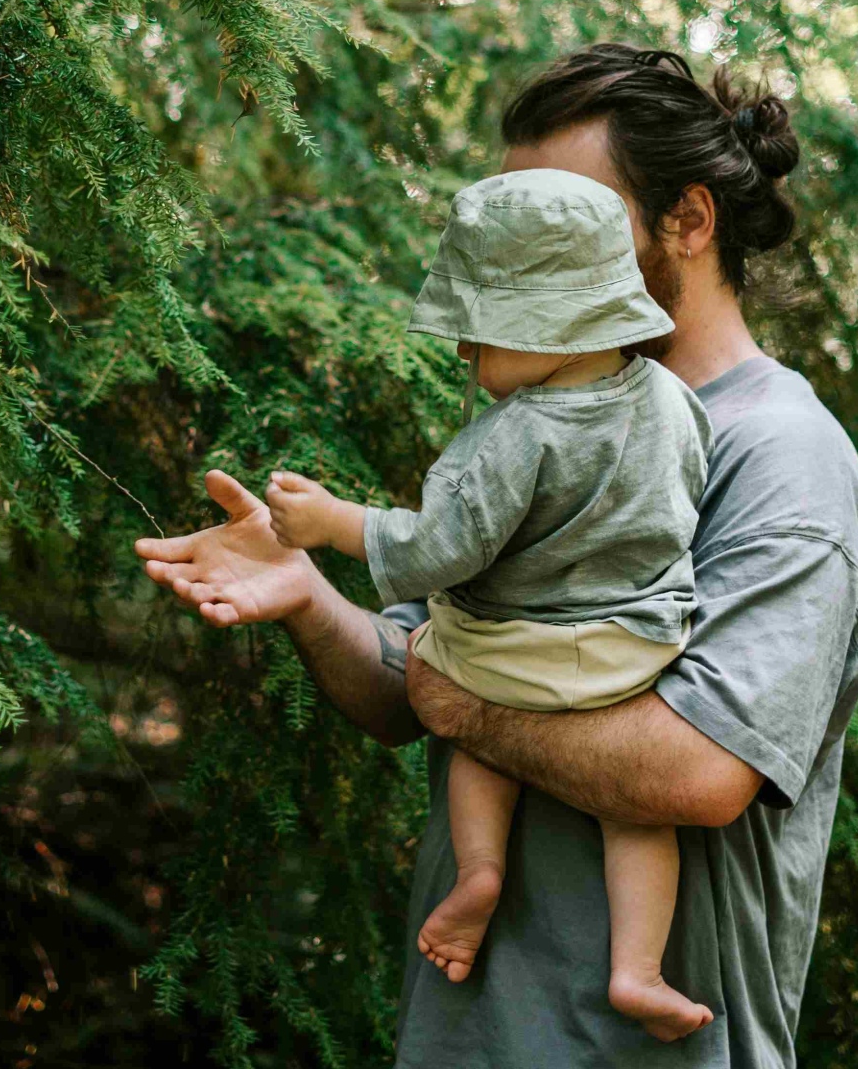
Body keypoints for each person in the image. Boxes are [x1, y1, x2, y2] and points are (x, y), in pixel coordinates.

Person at [135, 45, 858, 1067]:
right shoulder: (546, 418)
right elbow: (412, 679)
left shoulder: (779, 458)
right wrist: (307, 593)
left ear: (691, 221)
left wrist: (460, 699)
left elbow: (701, 769)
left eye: (566, 217)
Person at [263, 167, 714, 1040]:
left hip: (512, 650)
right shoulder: (673, 399)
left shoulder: (518, 436)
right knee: (637, 813)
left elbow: (439, 548)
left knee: (468, 710)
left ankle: (479, 872)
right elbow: (684, 502)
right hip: (636, 650)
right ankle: (639, 970)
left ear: (547, 326)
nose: (465, 357)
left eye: (478, 337)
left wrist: (332, 521)